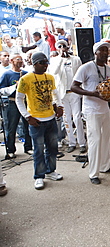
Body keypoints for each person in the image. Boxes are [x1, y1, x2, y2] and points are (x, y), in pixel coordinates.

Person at [15, 52, 64, 190]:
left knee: (53, 148)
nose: (45, 65)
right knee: (38, 150)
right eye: (42, 63)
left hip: (51, 118)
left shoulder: (50, 77)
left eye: (46, 62)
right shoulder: (26, 79)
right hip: (36, 120)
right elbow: (19, 99)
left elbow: (55, 93)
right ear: (34, 63)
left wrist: (59, 106)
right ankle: (39, 176)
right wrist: (27, 116)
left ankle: (50, 171)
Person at [71, 41, 110, 185]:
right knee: (95, 140)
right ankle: (93, 173)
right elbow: (74, 87)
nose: (105, 53)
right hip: (91, 110)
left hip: (105, 109)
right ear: (95, 52)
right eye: (102, 50)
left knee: (106, 139)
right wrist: (92, 93)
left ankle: (105, 166)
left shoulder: (109, 70)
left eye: (107, 51)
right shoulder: (86, 67)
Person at [48, 40, 86, 153]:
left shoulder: (76, 59)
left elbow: (80, 74)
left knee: (77, 118)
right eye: (59, 46)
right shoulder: (55, 60)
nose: (62, 47)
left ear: (67, 46)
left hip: (74, 92)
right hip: (62, 94)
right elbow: (54, 72)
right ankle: (71, 142)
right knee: (66, 119)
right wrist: (60, 57)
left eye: (64, 46)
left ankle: (82, 142)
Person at [0, 53, 32, 159]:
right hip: (12, 102)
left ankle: (28, 147)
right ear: (12, 61)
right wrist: (15, 86)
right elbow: (2, 90)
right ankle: (10, 149)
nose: (20, 61)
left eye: (21, 59)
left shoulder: (26, 74)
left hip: (25, 102)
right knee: (11, 126)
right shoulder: (7, 74)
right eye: (17, 59)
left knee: (27, 125)